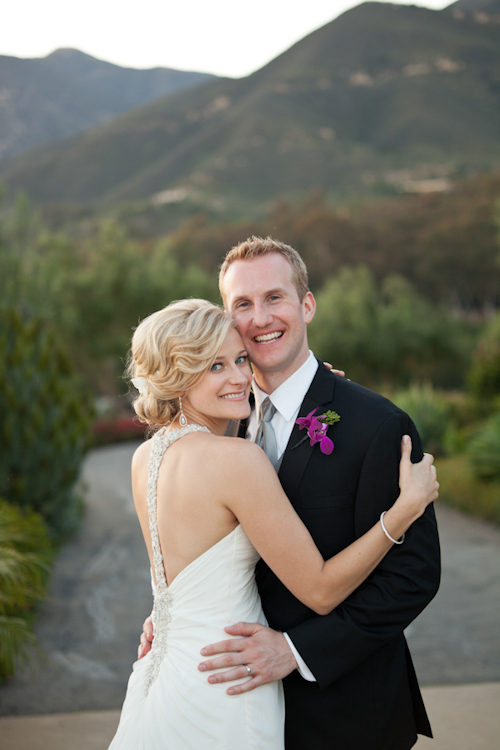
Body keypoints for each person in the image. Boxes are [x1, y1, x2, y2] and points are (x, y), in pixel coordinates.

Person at [139, 237, 441, 750]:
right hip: (238, 697)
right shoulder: (227, 418)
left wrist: (295, 651)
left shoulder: (376, 424)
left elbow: (413, 577)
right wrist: (173, 611)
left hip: (344, 711)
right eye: (243, 304)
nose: (259, 318)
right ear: (228, 318)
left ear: (306, 305)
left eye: (274, 298)